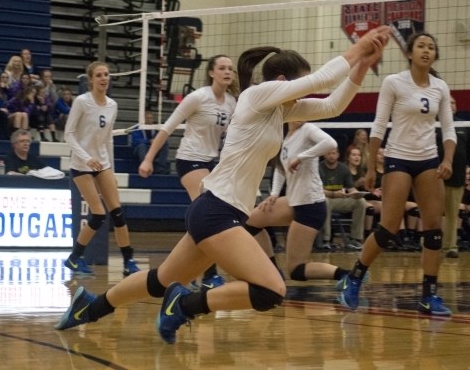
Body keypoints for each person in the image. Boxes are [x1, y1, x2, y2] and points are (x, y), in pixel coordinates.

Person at [54, 26, 390, 345]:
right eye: (300, 84)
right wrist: (361, 45)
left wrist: (362, 64)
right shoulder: (258, 96)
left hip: (216, 209)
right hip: (217, 211)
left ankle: (90, 306)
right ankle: (184, 307)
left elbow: (333, 105)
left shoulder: (278, 112)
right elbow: (323, 79)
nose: (305, 91)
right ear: (283, 82)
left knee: (161, 281)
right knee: (271, 290)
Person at [338, 31, 456, 316]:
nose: (426, 50)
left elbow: (448, 129)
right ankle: (353, 278)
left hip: (428, 159)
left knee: (434, 231)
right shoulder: (393, 82)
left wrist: (448, 159)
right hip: (398, 159)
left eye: (431, 47)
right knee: (388, 228)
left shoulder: (440, 87)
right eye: (421, 46)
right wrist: (370, 169)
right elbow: (379, 126)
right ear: (410, 53)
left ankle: (429, 295)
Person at [138, 54, 236, 288]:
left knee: (210, 216)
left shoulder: (232, 102)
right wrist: (148, 159)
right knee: (207, 211)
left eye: (230, 69)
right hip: (189, 159)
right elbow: (167, 127)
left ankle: (190, 272)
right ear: (211, 72)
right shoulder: (198, 97)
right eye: (222, 68)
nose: (227, 72)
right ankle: (209, 275)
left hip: (213, 162)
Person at [246, 121, 352, 282]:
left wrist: (302, 157)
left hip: (310, 205)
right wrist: (274, 193)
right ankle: (273, 273)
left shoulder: (307, 129)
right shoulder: (287, 136)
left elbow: (330, 143)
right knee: (251, 221)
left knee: (296, 270)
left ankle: (349, 276)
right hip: (293, 201)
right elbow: (282, 168)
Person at [63, 61, 140, 277]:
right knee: (97, 215)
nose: (104, 78)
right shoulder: (82, 102)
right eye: (99, 75)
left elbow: (107, 140)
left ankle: (128, 261)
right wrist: (87, 159)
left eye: (106, 74)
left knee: (118, 213)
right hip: (81, 165)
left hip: (103, 164)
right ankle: (74, 258)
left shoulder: (112, 105)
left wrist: (111, 170)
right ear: (91, 80)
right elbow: (68, 134)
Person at [438, 96, 470, 258]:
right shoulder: (433, 124)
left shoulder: (463, 125)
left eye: (454, 102)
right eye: (448, 103)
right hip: (435, 176)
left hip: (457, 177)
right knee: (433, 212)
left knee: (452, 213)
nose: (451, 105)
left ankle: (450, 246)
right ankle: (430, 242)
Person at [319, 147, 368, 250]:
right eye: (329, 153)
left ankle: (355, 238)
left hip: (340, 199)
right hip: (325, 199)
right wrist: (333, 194)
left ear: (338, 155)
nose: (332, 156)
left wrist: (356, 193)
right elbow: (318, 191)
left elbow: (350, 187)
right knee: (325, 202)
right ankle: (326, 239)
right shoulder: (319, 168)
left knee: (361, 202)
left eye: (334, 153)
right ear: (324, 155)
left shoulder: (344, 168)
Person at [131, 110, 170, 174]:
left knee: (164, 143)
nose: (149, 120)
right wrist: (149, 141)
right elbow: (136, 141)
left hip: (152, 149)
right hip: (139, 150)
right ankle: (145, 168)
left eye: (151, 118)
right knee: (142, 146)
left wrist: (156, 141)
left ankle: (161, 168)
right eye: (147, 118)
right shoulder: (137, 128)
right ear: (143, 119)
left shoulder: (156, 129)